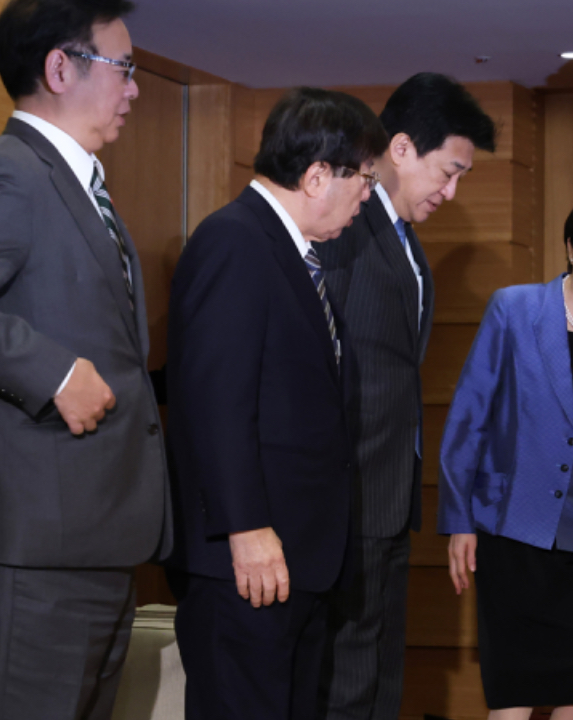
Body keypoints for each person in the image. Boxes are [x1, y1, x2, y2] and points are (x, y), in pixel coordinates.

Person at [165, 87, 388, 720]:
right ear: (318, 176)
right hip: (249, 561)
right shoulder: (234, 241)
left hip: (295, 563)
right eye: (365, 180)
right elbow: (215, 399)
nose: (367, 198)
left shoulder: (295, 254)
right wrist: (245, 528)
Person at [0, 1, 172, 717]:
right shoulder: (15, 173)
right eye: (124, 69)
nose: (134, 90)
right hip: (40, 548)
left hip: (98, 540)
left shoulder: (81, 183)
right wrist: (52, 372)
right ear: (59, 67)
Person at [315, 73, 496, 720]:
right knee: (347, 677)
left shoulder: (403, 241)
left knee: (378, 670)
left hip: (387, 498)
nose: (450, 191)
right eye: (447, 172)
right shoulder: (348, 233)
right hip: (350, 495)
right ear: (398, 148)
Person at [438, 190, 573, 720]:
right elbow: (469, 415)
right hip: (510, 531)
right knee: (515, 697)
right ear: (570, 247)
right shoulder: (514, 309)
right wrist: (459, 519)